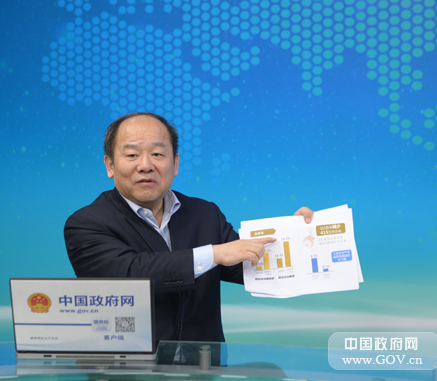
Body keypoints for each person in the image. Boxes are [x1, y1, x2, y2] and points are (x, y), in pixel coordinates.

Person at [64, 112, 313, 343]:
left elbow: (251, 266)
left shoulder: (205, 213)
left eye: (157, 154)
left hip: (203, 366)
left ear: (175, 163)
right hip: (128, 367)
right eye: (132, 155)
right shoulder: (86, 223)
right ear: (110, 165)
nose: (146, 165)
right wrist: (213, 254)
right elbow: (129, 275)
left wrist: (295, 235)